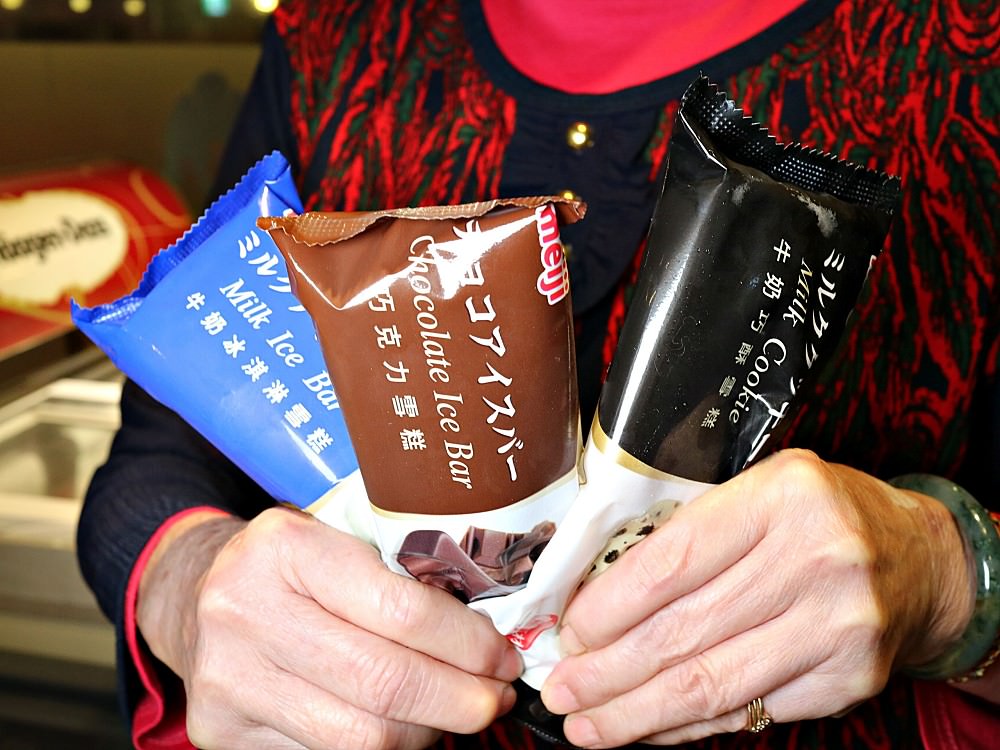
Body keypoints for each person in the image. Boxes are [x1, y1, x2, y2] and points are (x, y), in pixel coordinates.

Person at [77, 0, 1000, 748]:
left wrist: (946, 578)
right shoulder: (334, 36)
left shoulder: (962, 50)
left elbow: (955, 584)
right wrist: (190, 591)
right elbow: (155, 462)